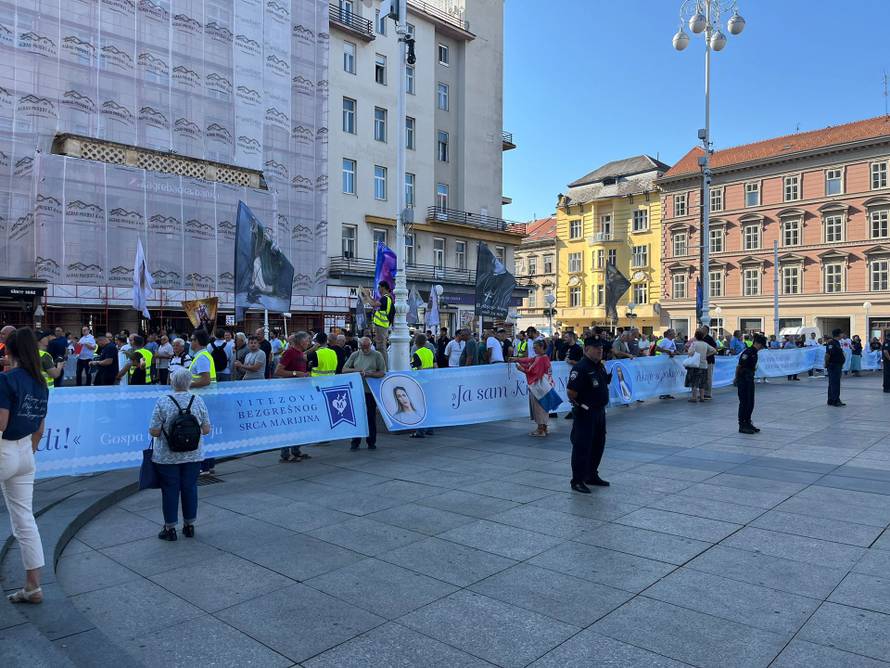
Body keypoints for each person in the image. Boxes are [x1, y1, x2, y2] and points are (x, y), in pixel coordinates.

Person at [0, 328, 49, 603]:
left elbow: (1, 423)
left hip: (4, 447)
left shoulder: (5, 380)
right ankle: (33, 586)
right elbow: (40, 429)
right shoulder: (41, 383)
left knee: (22, 519)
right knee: (25, 520)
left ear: (10, 351)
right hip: (24, 453)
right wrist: (24, 452)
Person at [148, 367, 212, 541]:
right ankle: (189, 525)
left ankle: (170, 528)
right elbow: (206, 429)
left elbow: (154, 431)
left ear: (172, 382)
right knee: (190, 488)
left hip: (167, 456)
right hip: (193, 454)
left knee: (170, 490)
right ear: (189, 382)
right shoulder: (197, 400)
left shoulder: (163, 401)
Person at [566, 337, 611, 493]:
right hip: (586, 413)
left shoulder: (600, 366)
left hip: (599, 412)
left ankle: (591, 475)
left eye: (601, 348)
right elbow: (571, 392)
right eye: (596, 347)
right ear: (586, 349)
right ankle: (577, 480)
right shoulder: (581, 367)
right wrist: (582, 406)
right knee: (582, 447)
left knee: (598, 445)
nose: (600, 350)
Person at [343, 336, 387, 450]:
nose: (365, 349)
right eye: (363, 347)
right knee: (357, 417)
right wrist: (357, 370)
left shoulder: (377, 355)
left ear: (370, 344)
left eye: (367, 347)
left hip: (370, 391)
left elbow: (382, 372)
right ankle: (355, 441)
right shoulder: (355, 355)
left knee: (370, 417)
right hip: (357, 391)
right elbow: (344, 369)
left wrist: (369, 374)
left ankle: (371, 441)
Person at [275, 332, 311, 462]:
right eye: (307, 340)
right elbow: (278, 371)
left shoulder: (301, 353)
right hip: (288, 393)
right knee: (288, 423)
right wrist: (297, 373)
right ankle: (285, 454)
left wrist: (305, 375)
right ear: (301, 341)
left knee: (298, 423)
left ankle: (296, 450)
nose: (309, 343)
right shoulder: (289, 353)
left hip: (298, 393)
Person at [187, 329, 217, 474]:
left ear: (197, 341)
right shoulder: (201, 355)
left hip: (203, 399)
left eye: (192, 339)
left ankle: (204, 466)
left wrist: (186, 384)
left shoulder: (202, 357)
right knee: (205, 431)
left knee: (201, 432)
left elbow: (205, 380)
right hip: (204, 398)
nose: (190, 341)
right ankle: (208, 464)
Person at [515, 339, 553, 437]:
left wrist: (522, 369)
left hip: (538, 387)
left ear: (541, 347)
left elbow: (534, 373)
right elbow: (529, 360)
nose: (534, 350)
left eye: (536, 348)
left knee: (538, 408)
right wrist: (517, 359)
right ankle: (544, 427)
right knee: (544, 407)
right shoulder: (543, 357)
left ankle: (540, 429)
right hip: (545, 386)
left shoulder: (540, 359)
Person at [737, 333, 767, 434]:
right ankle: (742, 425)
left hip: (749, 380)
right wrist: (736, 379)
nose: (762, 348)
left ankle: (748, 422)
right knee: (744, 402)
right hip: (743, 380)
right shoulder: (748, 352)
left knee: (750, 402)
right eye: (762, 346)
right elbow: (739, 366)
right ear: (758, 343)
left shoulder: (754, 353)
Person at [409, 334, 435, 438]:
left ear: (415, 342)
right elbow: (435, 365)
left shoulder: (416, 354)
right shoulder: (429, 352)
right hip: (430, 382)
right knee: (429, 406)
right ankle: (430, 429)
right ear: (425, 342)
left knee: (420, 407)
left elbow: (417, 370)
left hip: (421, 383)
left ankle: (420, 431)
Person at [686, 329, 717, 403]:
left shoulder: (694, 344)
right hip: (704, 364)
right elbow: (714, 350)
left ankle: (694, 397)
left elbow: (690, 352)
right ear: (703, 336)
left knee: (694, 381)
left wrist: (691, 353)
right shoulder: (705, 344)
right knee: (702, 382)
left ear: (695, 336)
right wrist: (706, 355)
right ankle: (702, 397)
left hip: (695, 365)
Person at [371, 281, 394, 367]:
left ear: (383, 287)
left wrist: (367, 296)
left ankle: (383, 367)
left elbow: (373, 304)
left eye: (379, 288)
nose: (379, 290)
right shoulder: (389, 298)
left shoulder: (385, 298)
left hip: (381, 325)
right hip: (383, 326)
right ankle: (383, 366)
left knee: (380, 347)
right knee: (381, 346)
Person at [825, 328, 846, 406]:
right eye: (841, 333)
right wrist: (826, 364)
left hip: (837, 365)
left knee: (832, 383)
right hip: (834, 365)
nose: (843, 335)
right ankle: (835, 400)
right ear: (838, 334)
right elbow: (827, 354)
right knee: (835, 383)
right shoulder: (832, 343)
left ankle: (831, 399)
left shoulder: (837, 343)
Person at [655, 329, 677, 400]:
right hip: (664, 362)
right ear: (669, 334)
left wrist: (679, 353)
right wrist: (666, 351)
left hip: (670, 362)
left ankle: (667, 393)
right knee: (664, 378)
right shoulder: (664, 340)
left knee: (669, 378)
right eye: (673, 333)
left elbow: (674, 350)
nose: (675, 334)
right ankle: (662, 393)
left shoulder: (672, 341)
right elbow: (657, 348)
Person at [701, 325, 718, 399]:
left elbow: (715, 350)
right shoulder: (701, 338)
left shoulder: (709, 339)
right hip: (702, 361)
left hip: (709, 360)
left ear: (706, 331)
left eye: (703, 329)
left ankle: (708, 393)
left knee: (708, 377)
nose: (701, 330)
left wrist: (706, 355)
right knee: (703, 377)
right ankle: (703, 392)